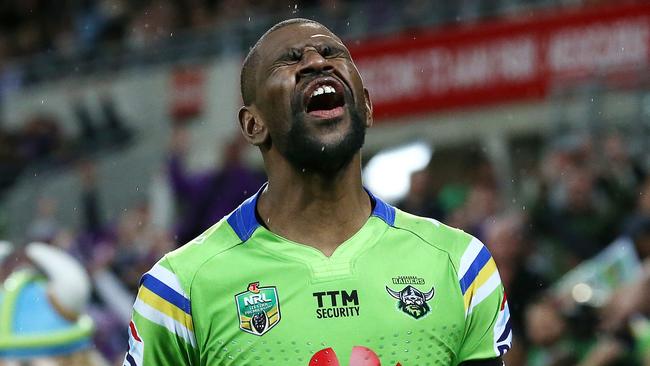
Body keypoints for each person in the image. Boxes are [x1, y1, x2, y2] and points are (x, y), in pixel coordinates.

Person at [124, 18, 511, 366]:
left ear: (368, 106)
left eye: (331, 53)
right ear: (253, 124)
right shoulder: (179, 291)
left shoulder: (462, 268)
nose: (315, 61)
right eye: (289, 60)